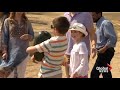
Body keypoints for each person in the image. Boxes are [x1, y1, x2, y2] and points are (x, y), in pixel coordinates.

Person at [0, 12, 34, 78]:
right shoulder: (7, 21)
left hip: (23, 53)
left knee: (20, 75)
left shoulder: (27, 22)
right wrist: (5, 51)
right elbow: (4, 38)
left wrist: (28, 36)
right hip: (11, 54)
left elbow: (32, 36)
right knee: (9, 75)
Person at [64, 12, 96, 77]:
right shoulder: (65, 15)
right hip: (68, 52)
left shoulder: (86, 15)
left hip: (81, 53)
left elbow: (92, 33)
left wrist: (93, 46)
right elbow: (65, 34)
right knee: (69, 75)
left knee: (80, 74)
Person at [90, 12, 117, 78]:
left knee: (94, 73)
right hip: (103, 52)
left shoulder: (105, 23)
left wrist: (104, 49)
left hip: (106, 52)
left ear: (99, 14)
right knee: (105, 71)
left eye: (93, 15)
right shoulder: (99, 23)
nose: (91, 17)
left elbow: (112, 38)